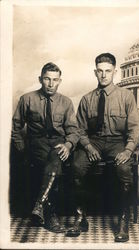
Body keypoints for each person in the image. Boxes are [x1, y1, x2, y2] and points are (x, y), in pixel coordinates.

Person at [65, 53, 139, 241]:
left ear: (114, 72)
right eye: (100, 71)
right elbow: (79, 129)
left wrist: (128, 150)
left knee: (124, 168)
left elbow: (135, 127)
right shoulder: (87, 99)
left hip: (117, 143)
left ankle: (123, 221)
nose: (104, 75)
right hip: (94, 142)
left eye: (108, 71)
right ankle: (80, 217)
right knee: (76, 166)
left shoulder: (126, 97)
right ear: (95, 72)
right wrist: (89, 147)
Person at [11, 62, 80, 233]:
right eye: (47, 79)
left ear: (60, 81)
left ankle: (40, 207)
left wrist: (68, 144)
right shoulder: (27, 99)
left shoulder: (66, 102)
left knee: (57, 156)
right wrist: (21, 148)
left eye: (55, 80)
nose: (51, 84)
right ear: (40, 79)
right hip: (36, 143)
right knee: (54, 162)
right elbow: (16, 127)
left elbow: (73, 130)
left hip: (58, 143)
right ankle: (50, 215)